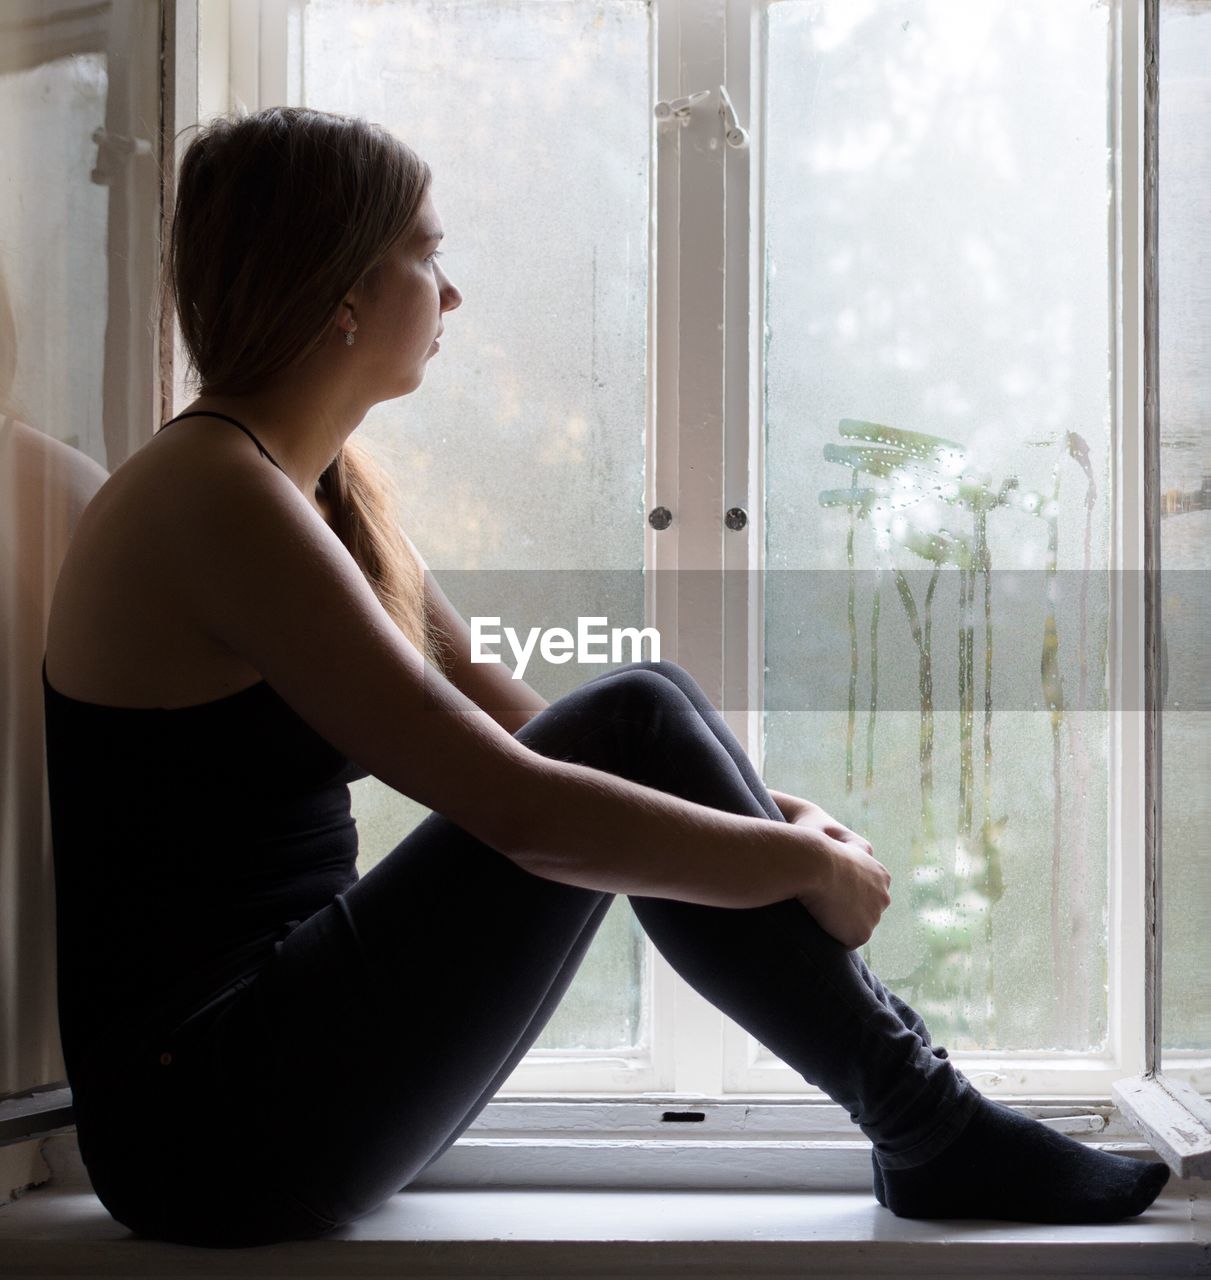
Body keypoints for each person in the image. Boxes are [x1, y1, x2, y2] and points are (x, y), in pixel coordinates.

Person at [40, 105, 1170, 1250]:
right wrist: (791, 862)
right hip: (207, 1126)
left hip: (287, 1081)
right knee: (633, 713)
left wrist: (778, 821)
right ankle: (930, 1123)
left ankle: (926, 1118)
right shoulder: (211, 495)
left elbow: (527, 727)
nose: (453, 293)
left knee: (647, 699)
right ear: (339, 293)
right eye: (427, 256)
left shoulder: (317, 492)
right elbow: (518, 804)